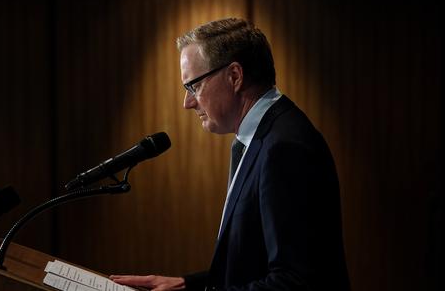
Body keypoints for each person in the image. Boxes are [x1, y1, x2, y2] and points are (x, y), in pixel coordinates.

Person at [110, 18, 350, 290]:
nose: (187, 103)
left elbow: (294, 282)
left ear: (234, 76)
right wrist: (186, 285)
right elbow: (251, 264)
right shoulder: (261, 136)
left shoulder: (285, 147)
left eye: (194, 86)